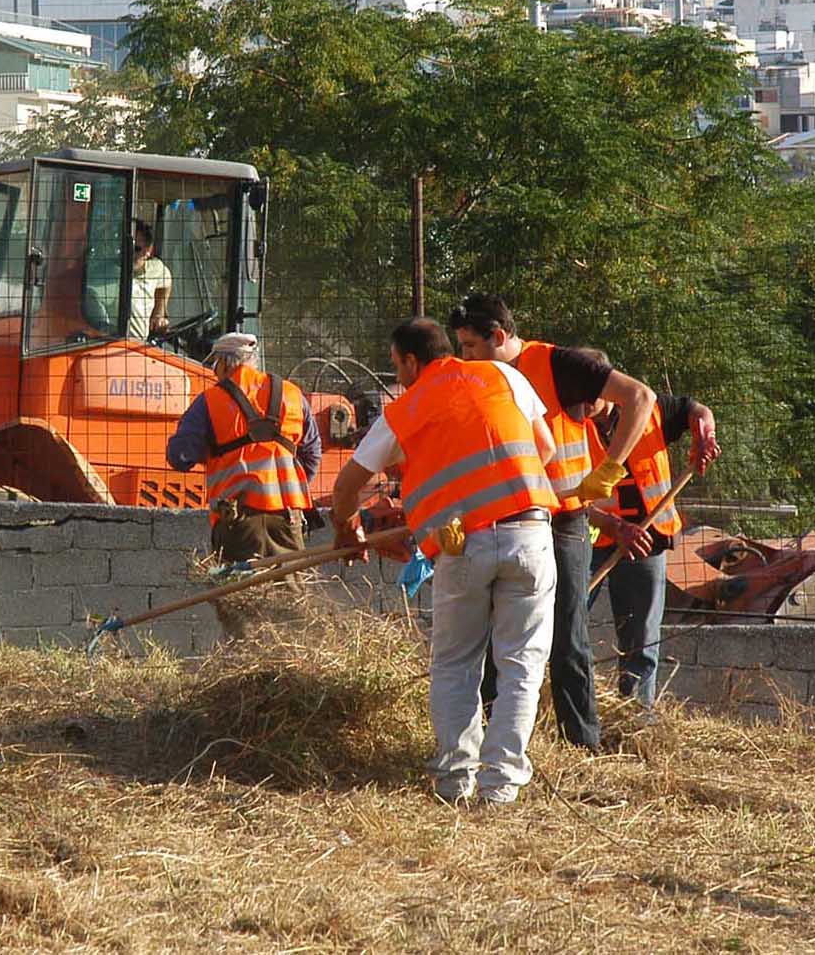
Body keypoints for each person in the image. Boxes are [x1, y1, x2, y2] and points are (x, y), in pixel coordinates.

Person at [330, 318, 558, 807]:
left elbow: (345, 488)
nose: (399, 376)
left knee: (455, 663)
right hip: (531, 533)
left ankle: (455, 780)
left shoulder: (404, 411)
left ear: (412, 361)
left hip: (460, 545)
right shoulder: (505, 377)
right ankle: (501, 787)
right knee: (522, 665)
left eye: (397, 366)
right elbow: (547, 448)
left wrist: (350, 532)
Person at [448, 295, 657, 753]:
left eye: (470, 346)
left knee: (568, 637)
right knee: (490, 638)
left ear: (499, 337)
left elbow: (640, 397)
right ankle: (487, 740)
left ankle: (582, 744)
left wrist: (610, 469)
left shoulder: (558, 364)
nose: (464, 357)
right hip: (501, 518)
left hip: (562, 522)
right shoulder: (477, 377)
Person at [575, 355, 720, 707]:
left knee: (640, 638)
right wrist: (612, 525)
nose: (580, 402)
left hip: (646, 541)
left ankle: (636, 715)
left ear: (610, 386)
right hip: (590, 539)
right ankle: (571, 706)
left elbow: (697, 410)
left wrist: (705, 435)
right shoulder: (567, 424)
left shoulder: (653, 410)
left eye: (588, 393)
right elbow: (562, 495)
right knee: (566, 624)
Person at [165, 332, 322, 561]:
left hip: (238, 522)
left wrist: (213, 450)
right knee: (288, 592)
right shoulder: (292, 395)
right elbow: (312, 455)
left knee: (239, 592)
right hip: (289, 519)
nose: (214, 372)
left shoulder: (210, 401)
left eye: (215, 365)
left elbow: (180, 456)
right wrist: (285, 489)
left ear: (225, 363)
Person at [128, 220, 172, 340]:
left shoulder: (156, 269)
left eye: (136, 249)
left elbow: (166, 281)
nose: (129, 254)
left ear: (149, 250)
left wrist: (159, 313)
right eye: (126, 248)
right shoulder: (102, 271)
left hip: (139, 346)